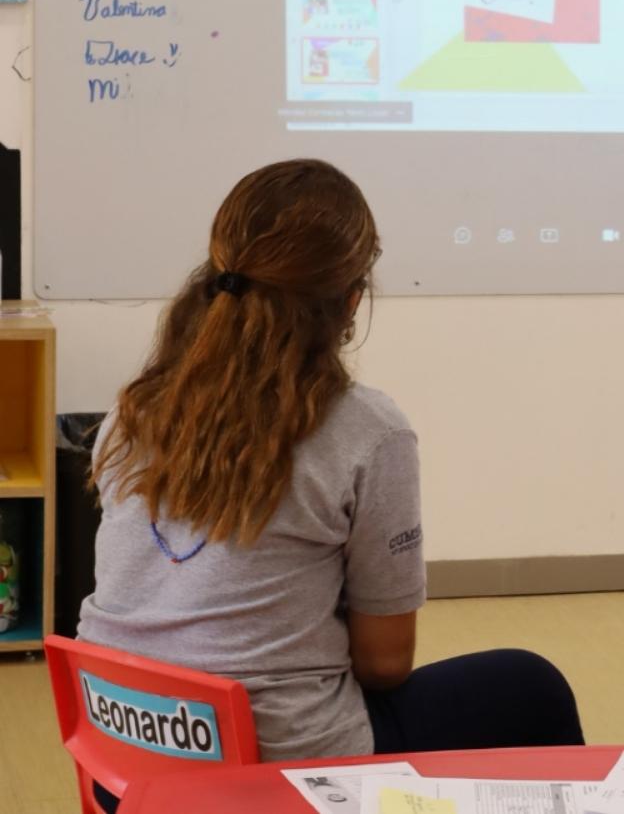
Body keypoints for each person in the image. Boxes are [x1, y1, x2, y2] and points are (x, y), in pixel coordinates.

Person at [79, 161, 584, 786]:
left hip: (123, 768)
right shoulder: (369, 432)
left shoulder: (130, 413)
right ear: (350, 298)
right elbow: (385, 664)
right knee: (530, 688)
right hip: (278, 778)